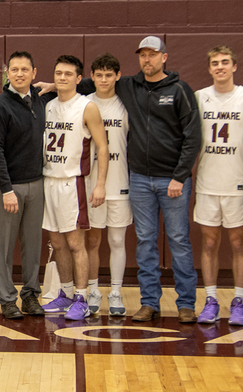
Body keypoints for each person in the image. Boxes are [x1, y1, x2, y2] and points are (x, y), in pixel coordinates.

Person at [73, 36, 201, 323]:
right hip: (140, 179)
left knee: (179, 240)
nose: (147, 59)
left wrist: (180, 175)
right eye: (143, 55)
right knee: (145, 242)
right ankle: (149, 302)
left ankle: (186, 304)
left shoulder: (180, 90)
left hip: (173, 180)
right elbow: (92, 82)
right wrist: (55, 85)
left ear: (164, 57)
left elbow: (193, 138)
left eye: (152, 54)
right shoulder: (130, 86)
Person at [0, 51, 54, 320]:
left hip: (36, 184)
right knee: (4, 246)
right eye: (14, 69)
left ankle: (30, 295)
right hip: (8, 187)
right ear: (7, 74)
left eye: (25, 69)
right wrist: (6, 189)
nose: (20, 74)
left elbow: (82, 84)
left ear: (34, 73)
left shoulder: (41, 99)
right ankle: (7, 299)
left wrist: (54, 85)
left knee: (33, 245)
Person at [38, 55, 108, 321]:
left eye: (68, 74)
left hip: (74, 182)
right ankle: (65, 293)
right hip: (49, 180)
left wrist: (100, 184)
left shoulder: (87, 107)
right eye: (58, 73)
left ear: (79, 78)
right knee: (57, 243)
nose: (62, 77)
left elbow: (102, 147)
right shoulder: (49, 106)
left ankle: (82, 297)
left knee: (76, 243)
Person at [194, 46, 243, 326]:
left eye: (225, 62)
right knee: (209, 242)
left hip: (238, 183)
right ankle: (211, 300)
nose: (220, 67)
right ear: (209, 68)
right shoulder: (199, 97)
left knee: (239, 241)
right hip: (207, 181)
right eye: (215, 63)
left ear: (234, 66)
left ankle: (239, 301)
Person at [83, 54, 131, 317]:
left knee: (116, 239)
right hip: (92, 183)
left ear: (117, 76)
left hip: (119, 181)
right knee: (93, 240)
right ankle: (92, 290)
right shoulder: (84, 103)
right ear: (92, 76)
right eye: (99, 75)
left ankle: (115, 292)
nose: (103, 80)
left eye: (108, 75)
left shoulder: (125, 104)